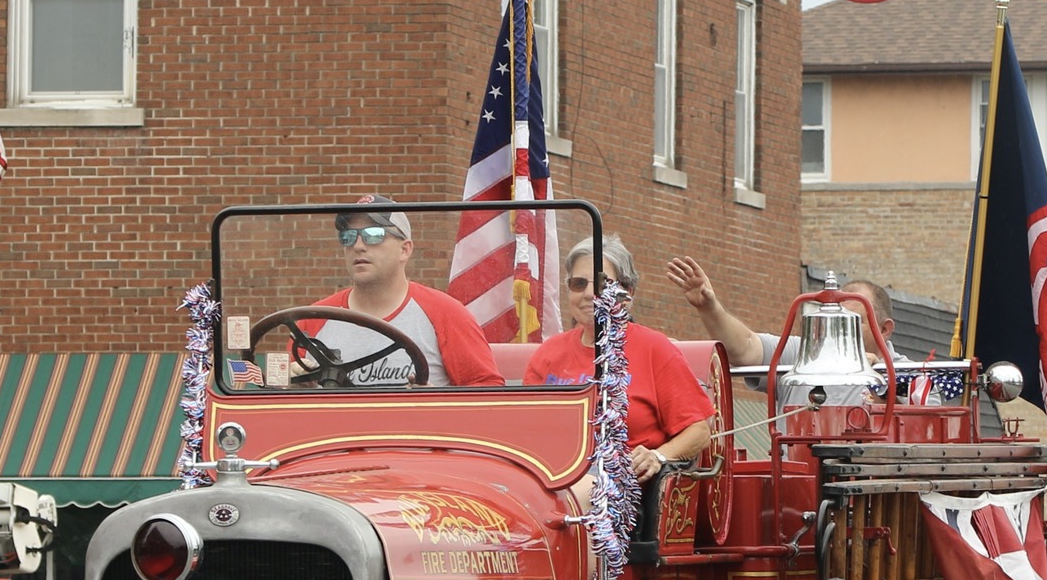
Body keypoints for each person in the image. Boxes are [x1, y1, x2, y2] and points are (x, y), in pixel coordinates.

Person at [527, 236, 715, 485]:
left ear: (628, 292)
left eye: (603, 284)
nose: (588, 294)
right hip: (547, 476)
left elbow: (699, 432)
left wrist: (658, 456)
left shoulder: (654, 349)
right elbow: (525, 427)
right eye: (578, 283)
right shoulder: (548, 353)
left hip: (620, 485)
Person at [302, 198, 503, 388]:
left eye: (374, 235)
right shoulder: (311, 318)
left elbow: (488, 392)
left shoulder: (445, 314)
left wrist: (437, 403)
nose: (358, 246)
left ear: (404, 250)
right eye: (348, 237)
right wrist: (292, 386)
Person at [665, 255, 904, 370]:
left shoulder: (916, 378)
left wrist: (875, 377)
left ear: (885, 330)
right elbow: (745, 349)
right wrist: (709, 306)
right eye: (830, 321)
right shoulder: (800, 354)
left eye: (850, 322)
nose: (835, 333)